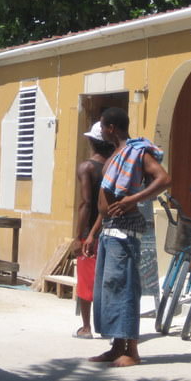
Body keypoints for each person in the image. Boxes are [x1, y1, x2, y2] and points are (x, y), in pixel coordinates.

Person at [83, 107, 171, 368]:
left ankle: (132, 351)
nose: (101, 130)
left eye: (102, 125)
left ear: (111, 127)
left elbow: (164, 179)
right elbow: (106, 203)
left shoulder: (137, 152)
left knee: (125, 290)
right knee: (109, 290)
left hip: (125, 232)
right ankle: (116, 347)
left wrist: (133, 199)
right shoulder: (116, 156)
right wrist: (93, 233)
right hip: (109, 230)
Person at [72, 121, 116, 339]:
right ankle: (107, 324)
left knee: (86, 279)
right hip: (110, 229)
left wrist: (79, 237)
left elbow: (86, 203)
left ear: (92, 141)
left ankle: (87, 326)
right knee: (106, 279)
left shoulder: (86, 167)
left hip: (91, 231)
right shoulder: (112, 166)